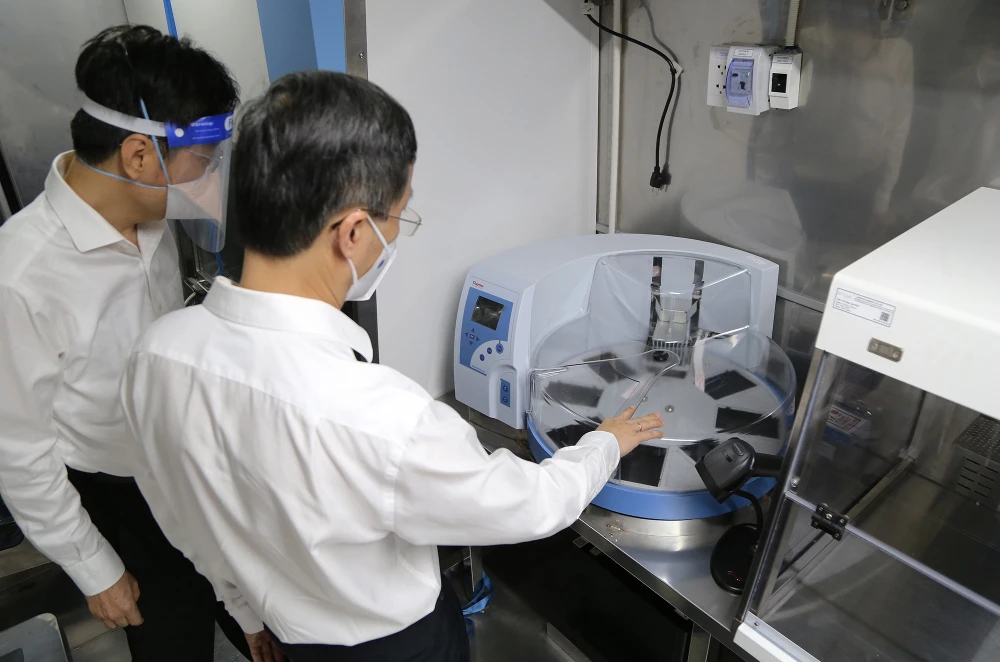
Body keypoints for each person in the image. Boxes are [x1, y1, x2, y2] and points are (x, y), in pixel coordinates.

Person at [120, 70, 664, 661]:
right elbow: (534, 504)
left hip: (287, 633)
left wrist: (245, 611)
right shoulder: (383, 418)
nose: (398, 232)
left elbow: (184, 519)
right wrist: (605, 443)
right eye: (400, 214)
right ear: (353, 232)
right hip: (395, 648)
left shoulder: (154, 356)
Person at [0, 25, 277, 662]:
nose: (210, 178)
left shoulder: (150, 218)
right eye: (203, 161)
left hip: (188, 460)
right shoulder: (22, 277)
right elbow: (19, 450)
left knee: (251, 610)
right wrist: (94, 567)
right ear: (138, 156)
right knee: (173, 639)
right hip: (120, 494)